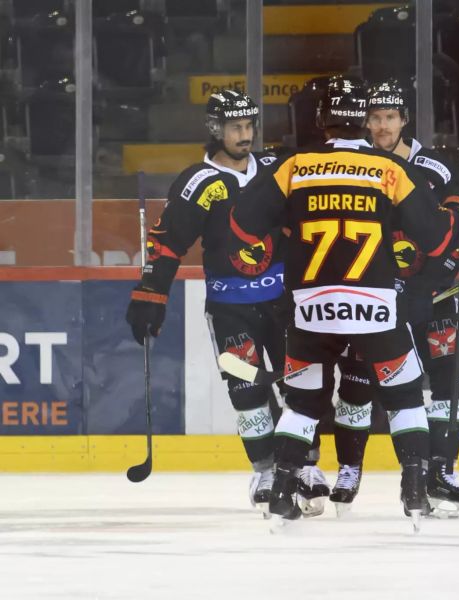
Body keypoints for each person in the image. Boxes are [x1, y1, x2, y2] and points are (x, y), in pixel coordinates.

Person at [228, 76, 459, 527]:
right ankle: (414, 490)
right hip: (375, 306)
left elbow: (242, 224)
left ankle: (283, 493)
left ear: (320, 119)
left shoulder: (296, 165)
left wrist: (290, 227)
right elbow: (439, 236)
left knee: (302, 403)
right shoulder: (391, 170)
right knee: (405, 395)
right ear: (363, 122)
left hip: (311, 307)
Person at [124, 90, 329, 515]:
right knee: (246, 390)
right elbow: (166, 243)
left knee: (301, 387)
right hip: (229, 308)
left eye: (249, 125)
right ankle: (267, 470)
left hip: (286, 303)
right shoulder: (199, 183)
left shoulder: (277, 168)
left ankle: (307, 465)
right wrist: (150, 295)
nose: (244, 134)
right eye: (235, 126)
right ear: (216, 129)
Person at [327, 80, 459, 519]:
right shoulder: (354, 166)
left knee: (452, 376)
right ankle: (348, 469)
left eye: (390, 117)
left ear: (404, 120)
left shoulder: (432, 165)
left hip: (433, 295)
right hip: (374, 296)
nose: (381, 126)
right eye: (374, 118)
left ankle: (440, 470)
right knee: (357, 380)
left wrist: (449, 263)